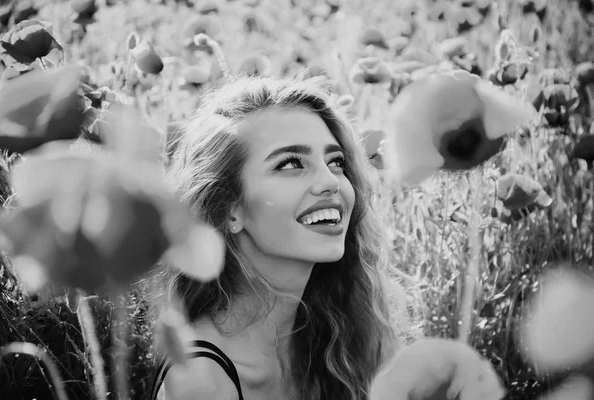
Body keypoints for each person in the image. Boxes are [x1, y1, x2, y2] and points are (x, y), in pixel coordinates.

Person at [146, 76, 498, 400]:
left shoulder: (339, 342)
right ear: (229, 209)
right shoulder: (199, 378)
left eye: (336, 162)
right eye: (290, 164)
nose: (331, 181)